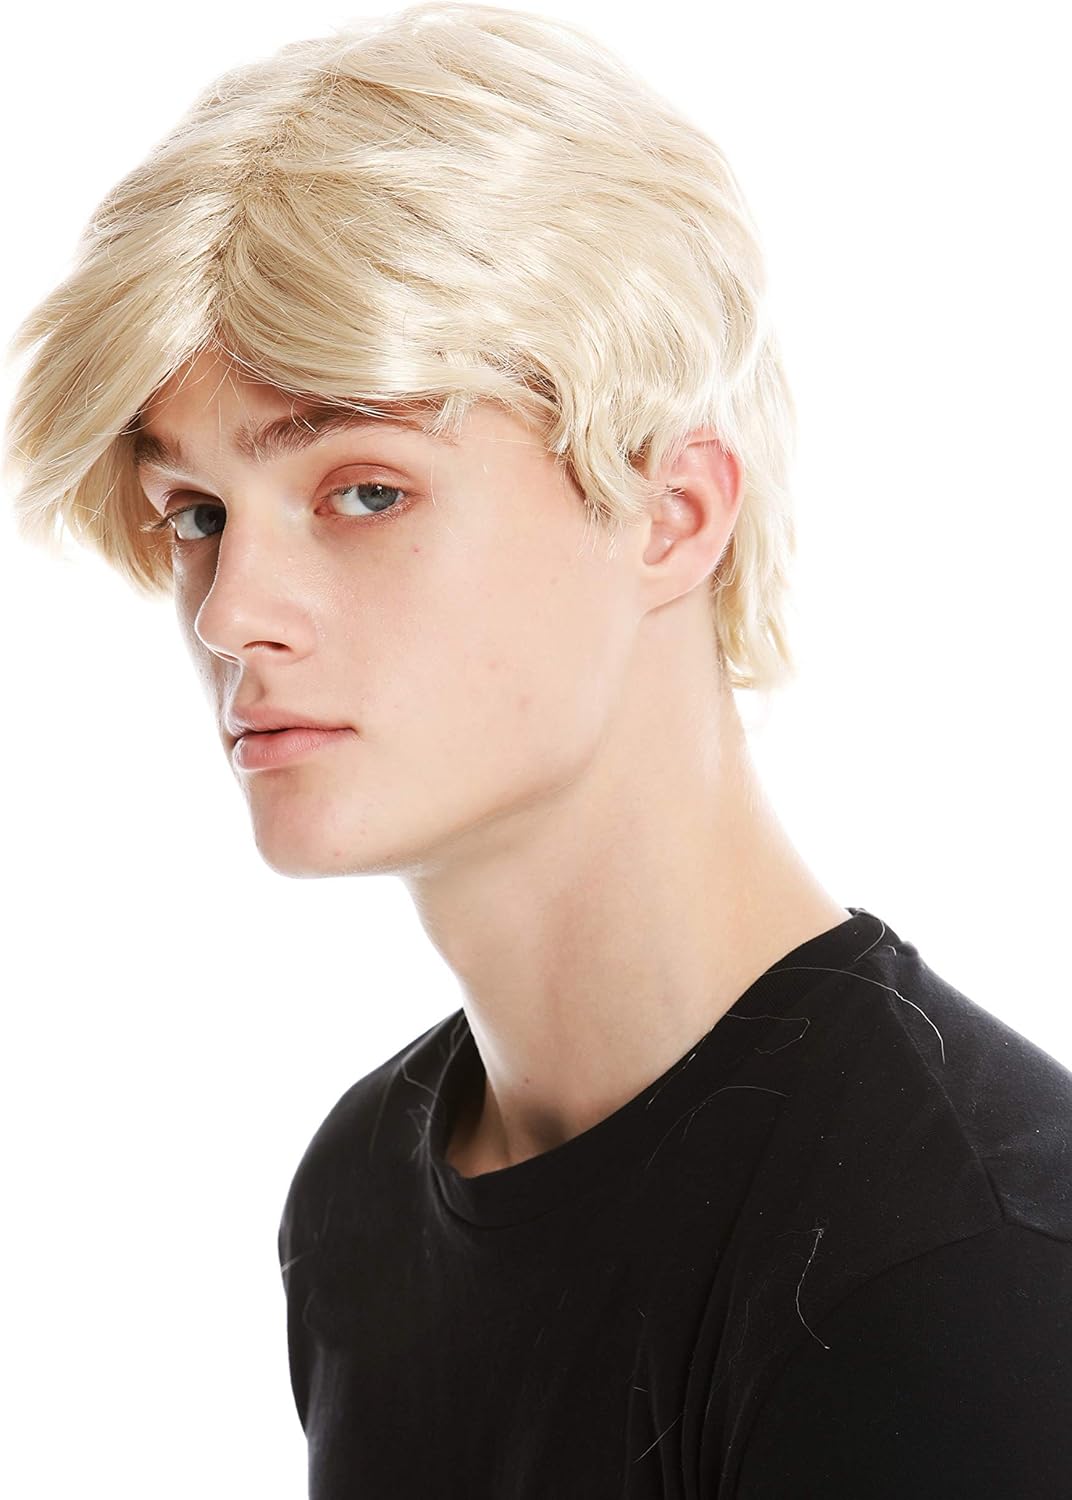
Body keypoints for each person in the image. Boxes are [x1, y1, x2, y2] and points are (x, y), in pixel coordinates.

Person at [4, 3, 1070, 1495]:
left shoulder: (960, 1269)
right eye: (197, 513)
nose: (232, 611)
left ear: (670, 514)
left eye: (365, 490)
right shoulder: (359, 1203)